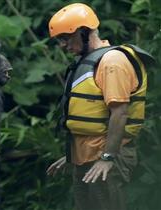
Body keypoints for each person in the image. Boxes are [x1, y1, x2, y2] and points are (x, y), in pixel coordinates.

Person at [45, 3, 154, 210]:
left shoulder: (112, 61)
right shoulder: (88, 63)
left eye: (65, 38)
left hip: (108, 156)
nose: (62, 45)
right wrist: (72, 154)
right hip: (86, 156)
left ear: (84, 32)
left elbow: (119, 113)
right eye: (60, 40)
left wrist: (107, 157)